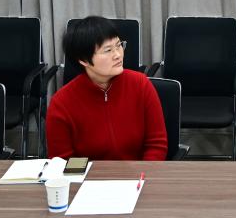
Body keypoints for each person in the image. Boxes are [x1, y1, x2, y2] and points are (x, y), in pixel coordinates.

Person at [47, 16, 167, 161]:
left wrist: (143, 172)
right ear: (84, 60)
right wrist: (92, 174)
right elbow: (63, 161)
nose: (118, 55)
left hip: (138, 173)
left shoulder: (141, 85)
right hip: (88, 174)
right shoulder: (62, 103)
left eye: (119, 45)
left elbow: (156, 144)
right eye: (108, 50)